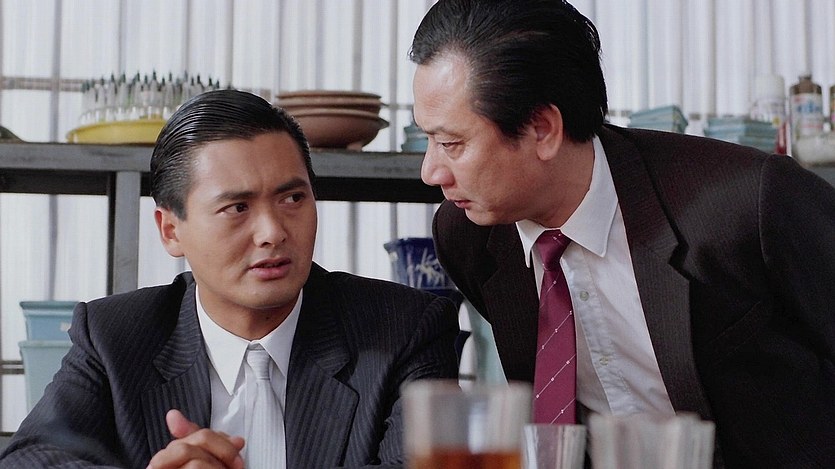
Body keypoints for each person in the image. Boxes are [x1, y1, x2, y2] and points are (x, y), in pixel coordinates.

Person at [409, 0, 835, 467]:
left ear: (542, 129)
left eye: (451, 143)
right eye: (427, 139)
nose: (431, 172)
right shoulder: (468, 236)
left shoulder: (748, 203)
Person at [0, 90, 460, 468]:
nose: (273, 232)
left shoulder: (404, 328)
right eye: (237, 208)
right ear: (171, 230)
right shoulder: (115, 336)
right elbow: (31, 458)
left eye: (293, 199)